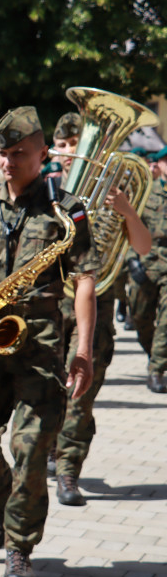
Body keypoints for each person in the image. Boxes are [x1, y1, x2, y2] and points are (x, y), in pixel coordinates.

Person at [0, 106, 99, 577]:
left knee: (31, 450)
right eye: (2, 154)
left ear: (42, 153)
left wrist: (85, 350)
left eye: (18, 154)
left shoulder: (66, 210)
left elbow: (85, 281)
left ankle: (19, 547)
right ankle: (4, 499)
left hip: (40, 348)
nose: (8, 163)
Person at [48, 111, 151, 505]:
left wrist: (126, 211)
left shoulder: (114, 188)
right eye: (66, 146)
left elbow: (143, 248)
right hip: (52, 303)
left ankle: (69, 473)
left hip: (99, 303)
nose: (72, 153)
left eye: (77, 144)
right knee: (48, 389)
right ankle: (51, 452)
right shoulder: (43, 189)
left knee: (81, 395)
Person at [126, 143, 167, 393]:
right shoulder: (146, 193)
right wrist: (132, 259)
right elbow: (130, 226)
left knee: (165, 320)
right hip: (146, 259)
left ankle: (157, 370)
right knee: (140, 317)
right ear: (160, 165)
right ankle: (155, 355)